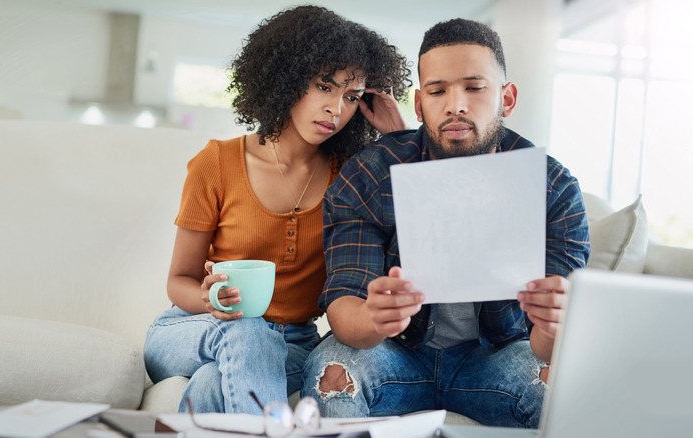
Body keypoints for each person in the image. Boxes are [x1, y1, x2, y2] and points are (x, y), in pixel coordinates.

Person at [299, 18, 590, 428]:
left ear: (507, 98)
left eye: (475, 88)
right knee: (331, 371)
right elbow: (346, 311)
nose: (456, 105)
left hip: (497, 356)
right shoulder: (370, 174)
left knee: (562, 389)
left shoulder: (553, 188)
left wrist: (555, 322)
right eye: (438, 91)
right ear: (419, 105)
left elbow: (548, 349)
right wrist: (374, 318)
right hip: (394, 352)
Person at [143, 5, 411, 415]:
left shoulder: (350, 175)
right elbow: (179, 281)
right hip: (194, 329)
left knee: (212, 382)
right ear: (287, 77)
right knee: (246, 328)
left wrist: (398, 138)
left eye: (352, 96)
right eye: (324, 86)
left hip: (292, 344)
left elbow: (417, 225)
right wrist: (210, 298)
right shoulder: (217, 163)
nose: (336, 109)